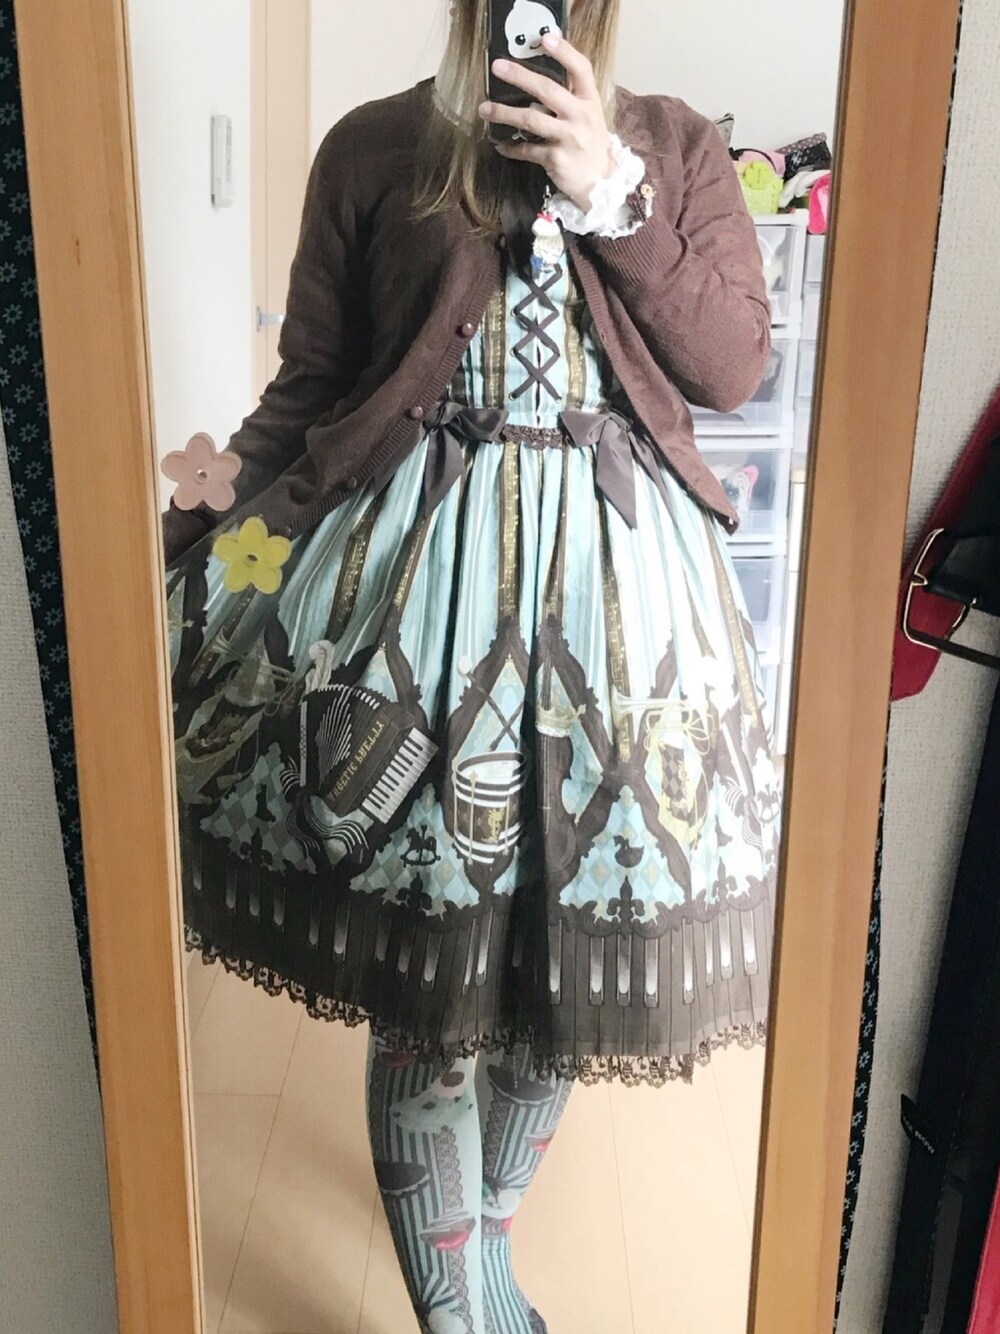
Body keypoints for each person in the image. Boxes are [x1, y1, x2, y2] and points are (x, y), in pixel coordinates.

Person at [163, 2, 780, 1329]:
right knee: (427, 986)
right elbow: (311, 391)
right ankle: (460, 1308)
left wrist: (608, 186)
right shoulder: (370, 148)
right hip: (415, 616)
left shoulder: (679, 150)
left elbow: (735, 366)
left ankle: (481, 1232)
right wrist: (203, 532)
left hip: (620, 632)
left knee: (566, 986)